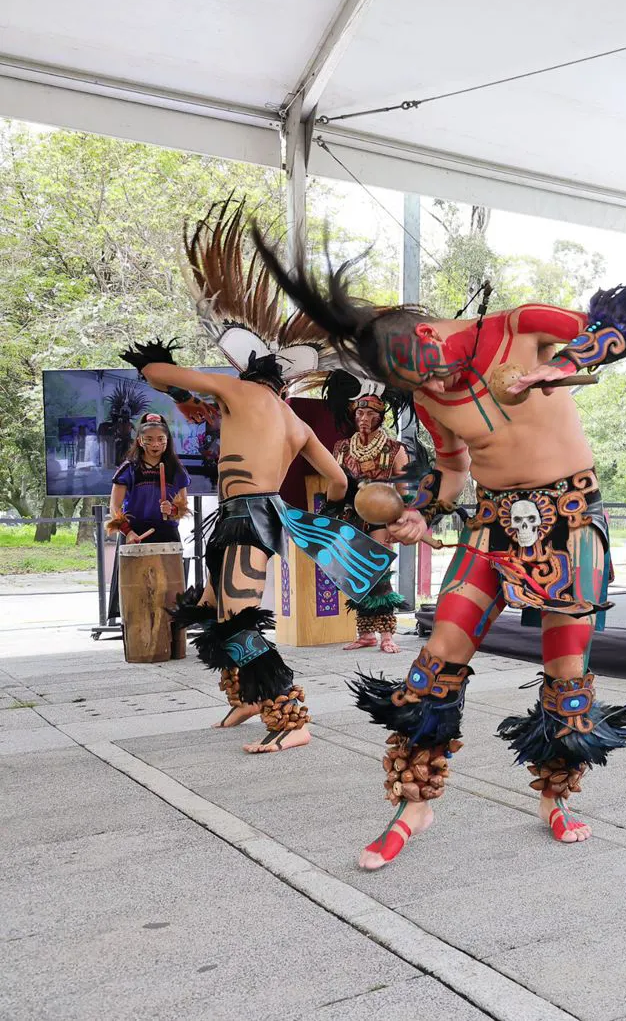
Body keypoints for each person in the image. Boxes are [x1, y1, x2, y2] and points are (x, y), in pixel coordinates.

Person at [258, 231, 626, 871]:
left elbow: (621, 321)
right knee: (436, 661)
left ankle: (555, 797)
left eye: (435, 366)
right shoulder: (425, 394)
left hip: (569, 517)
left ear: (426, 334)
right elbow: (452, 473)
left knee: (567, 674)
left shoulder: (521, 326)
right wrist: (421, 513)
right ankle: (413, 804)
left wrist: (558, 365)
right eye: (419, 381)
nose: (439, 380)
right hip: (491, 522)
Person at [121, 200, 389, 755]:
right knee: (215, 611)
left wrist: (178, 390)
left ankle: (290, 716)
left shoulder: (238, 392)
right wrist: (327, 519)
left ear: (249, 371)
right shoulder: (292, 420)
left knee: (239, 619)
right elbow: (339, 482)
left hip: (247, 521)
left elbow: (154, 369)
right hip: (255, 516)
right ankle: (244, 695)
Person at [325, 370, 410, 653]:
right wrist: (332, 513)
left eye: (370, 414)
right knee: (357, 573)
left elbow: (403, 489)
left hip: (381, 515)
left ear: (380, 416)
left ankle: (387, 635)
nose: (363, 418)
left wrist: (402, 518)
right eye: (359, 413)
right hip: (352, 515)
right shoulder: (341, 447)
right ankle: (366, 633)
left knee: (379, 570)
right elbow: (335, 482)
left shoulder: (393, 448)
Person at [108, 413, 191, 544]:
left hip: (167, 533)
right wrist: (128, 532)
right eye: (149, 439)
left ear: (167, 440)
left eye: (160, 439)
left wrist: (172, 510)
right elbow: (114, 506)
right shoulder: (128, 469)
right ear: (140, 441)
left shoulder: (177, 470)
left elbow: (183, 505)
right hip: (134, 534)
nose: (155, 444)